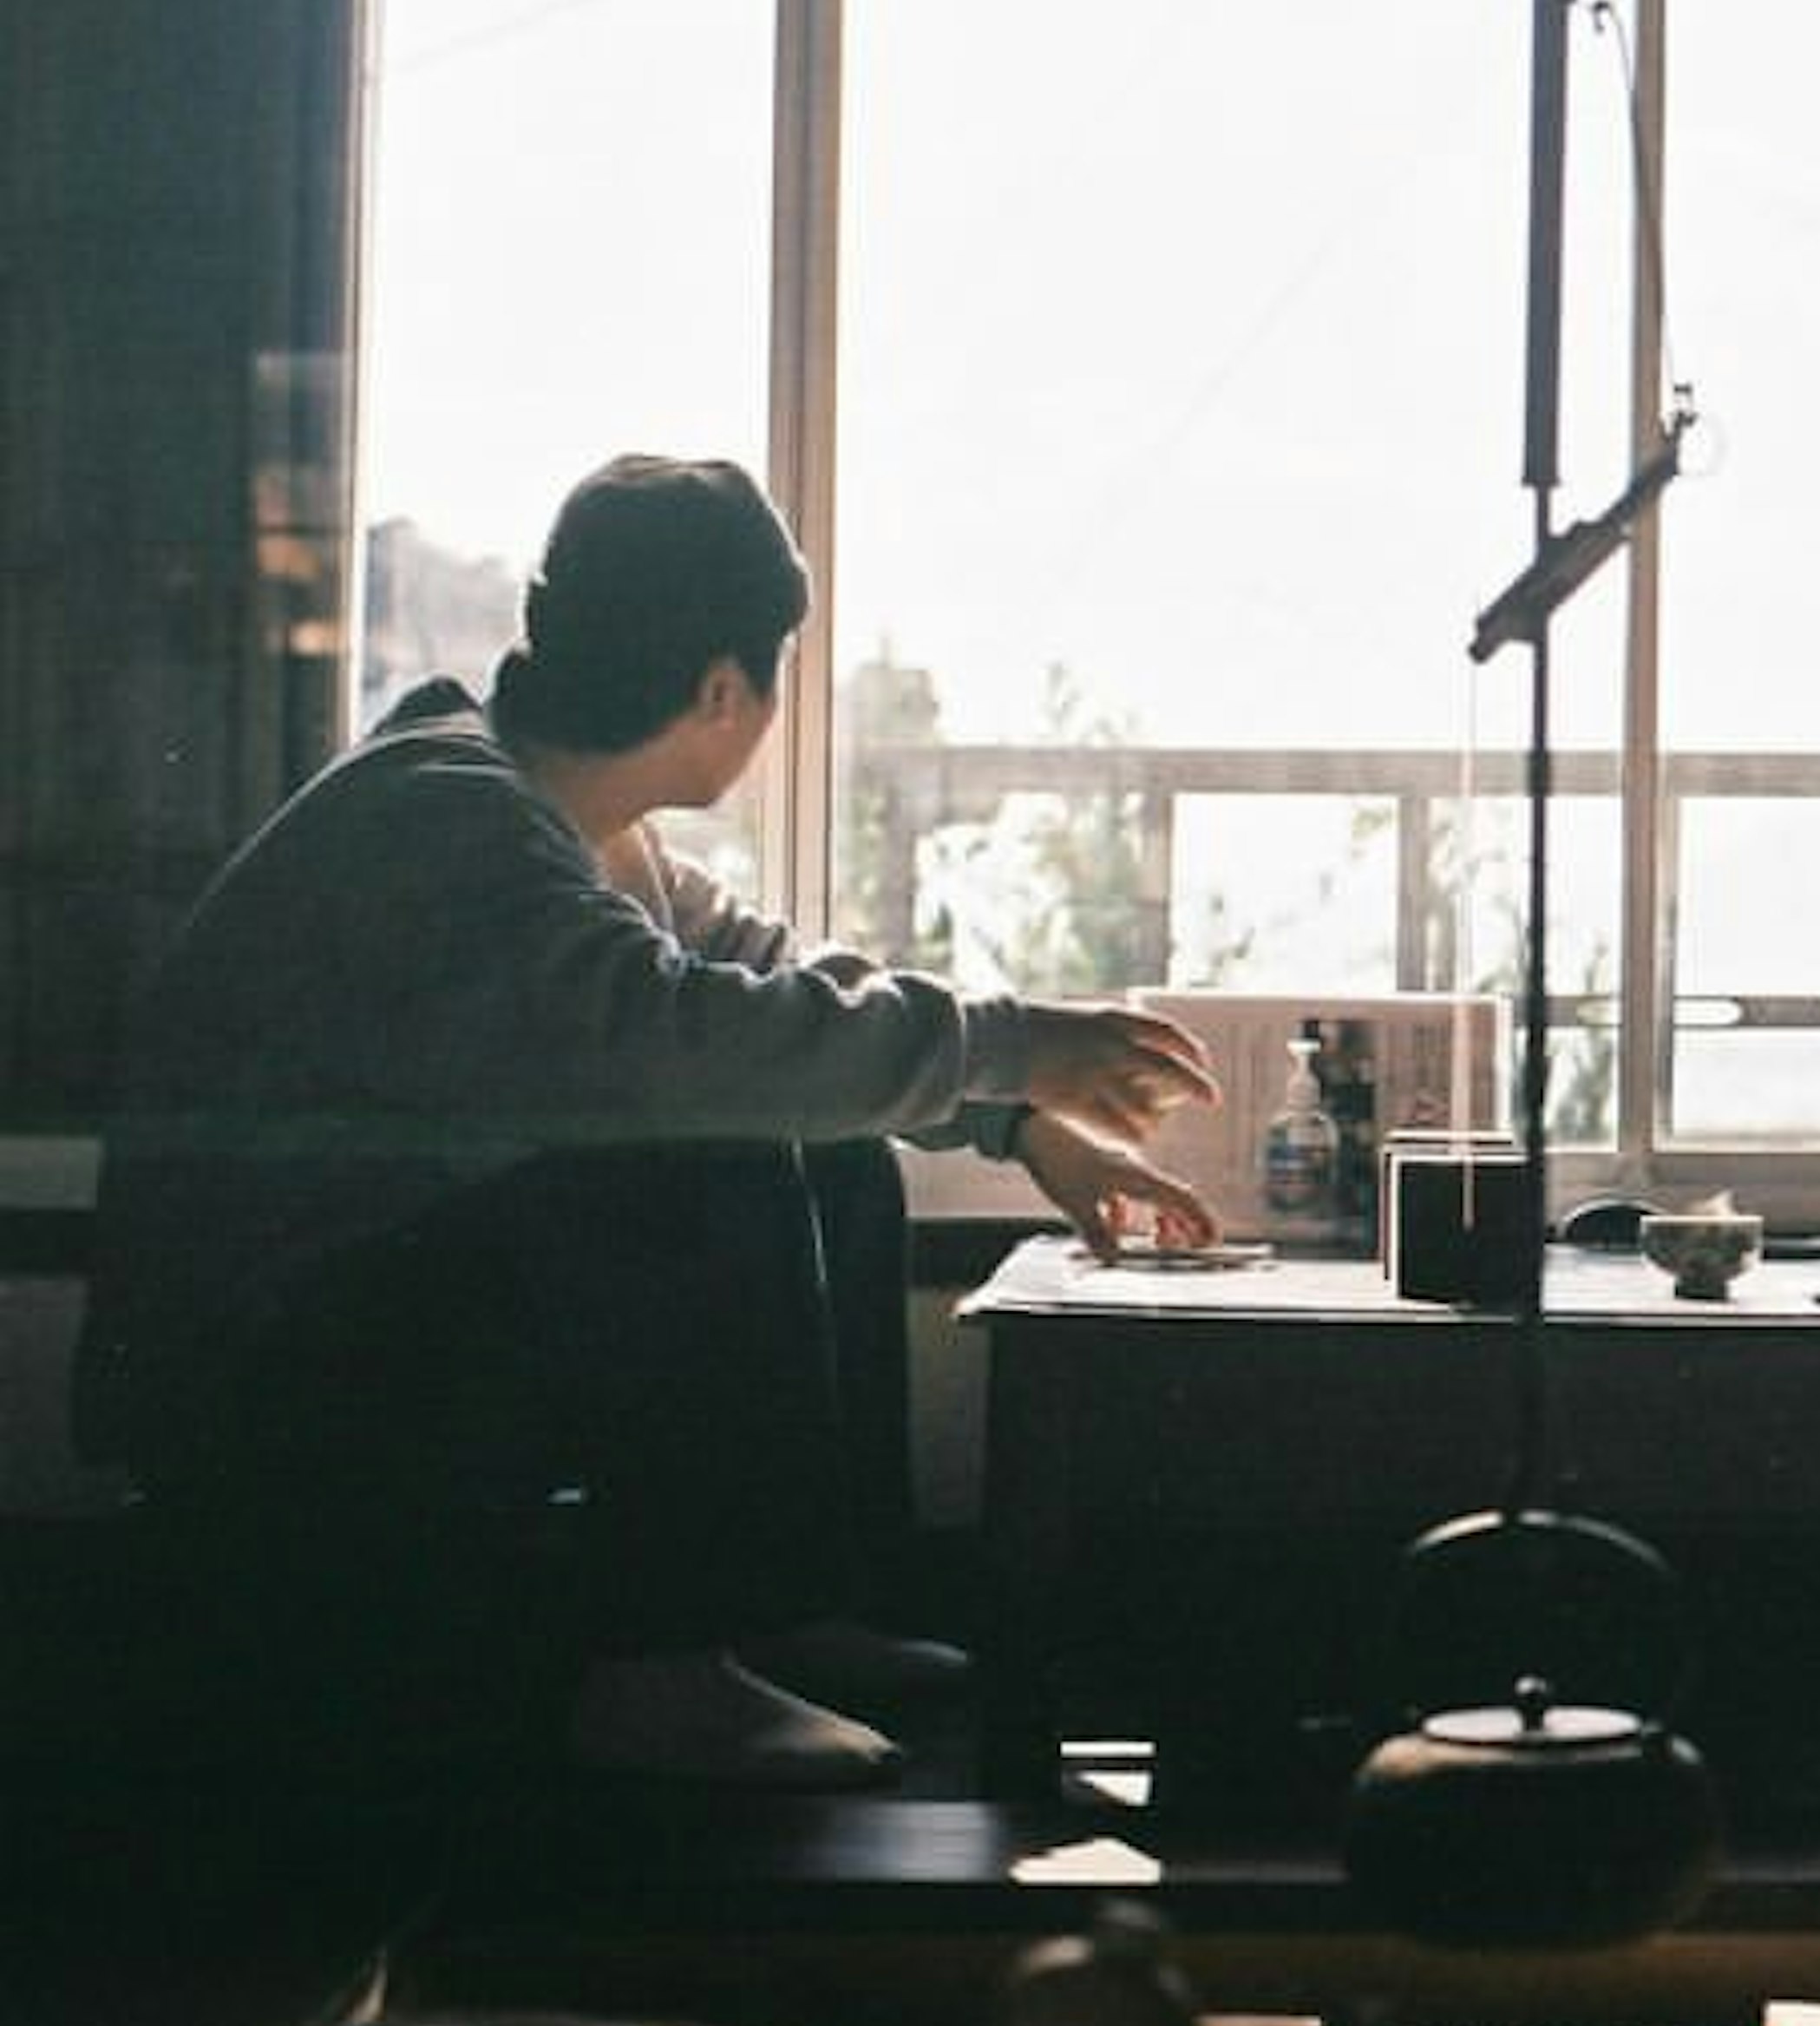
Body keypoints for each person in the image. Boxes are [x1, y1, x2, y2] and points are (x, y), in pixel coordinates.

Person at [75, 453, 1223, 1787]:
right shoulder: (447, 822)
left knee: (826, 1140)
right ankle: (659, 1677)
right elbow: (684, 1044)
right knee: (699, 1145)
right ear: (725, 686)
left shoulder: (560, 816)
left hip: (350, 1351)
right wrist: (1019, 1046)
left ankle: (778, 1614)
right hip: (252, 1413)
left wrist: (1020, 1119)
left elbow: (776, 989)